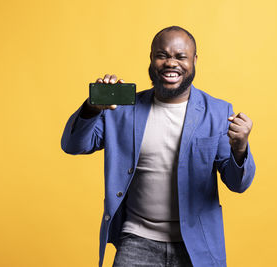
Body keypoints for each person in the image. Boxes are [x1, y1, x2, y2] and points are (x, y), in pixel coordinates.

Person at [61, 26, 256, 267]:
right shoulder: (121, 110)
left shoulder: (217, 112)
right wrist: (92, 106)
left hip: (195, 245)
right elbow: (72, 145)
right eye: (162, 55)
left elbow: (238, 184)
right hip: (136, 240)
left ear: (194, 60)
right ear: (152, 58)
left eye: (180, 56)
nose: (170, 63)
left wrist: (240, 148)